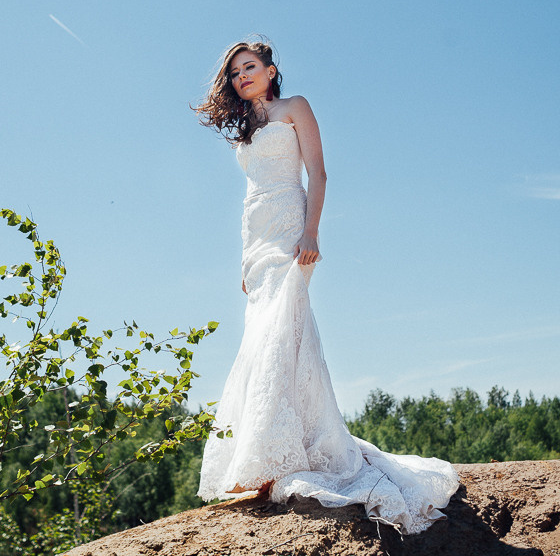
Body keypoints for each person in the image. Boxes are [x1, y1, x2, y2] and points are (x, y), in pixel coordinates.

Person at [193, 39, 460, 534]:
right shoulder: (246, 128)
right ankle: (270, 451)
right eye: (234, 72)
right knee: (263, 333)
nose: (241, 77)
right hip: (257, 235)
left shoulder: (296, 107)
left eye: (249, 67)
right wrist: (243, 260)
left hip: (292, 225)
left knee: (282, 326)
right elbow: (250, 197)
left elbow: (317, 172)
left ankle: (273, 454)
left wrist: (311, 231)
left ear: (271, 71)